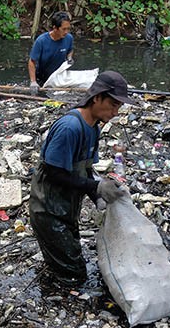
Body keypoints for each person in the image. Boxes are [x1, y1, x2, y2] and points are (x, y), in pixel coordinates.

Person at [29, 71, 136, 285]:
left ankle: (53, 267)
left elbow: (85, 169)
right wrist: (96, 186)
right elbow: (53, 173)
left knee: (69, 259)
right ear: (97, 97)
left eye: (119, 107)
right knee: (74, 276)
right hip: (48, 211)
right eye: (113, 105)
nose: (115, 112)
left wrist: (98, 196)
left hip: (66, 209)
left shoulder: (93, 128)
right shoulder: (70, 128)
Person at [28, 11, 74, 94]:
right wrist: (33, 82)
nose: (66, 32)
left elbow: (70, 50)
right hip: (42, 77)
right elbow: (32, 62)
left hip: (58, 76)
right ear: (55, 28)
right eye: (64, 29)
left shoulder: (69, 38)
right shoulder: (41, 41)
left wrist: (69, 57)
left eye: (68, 29)